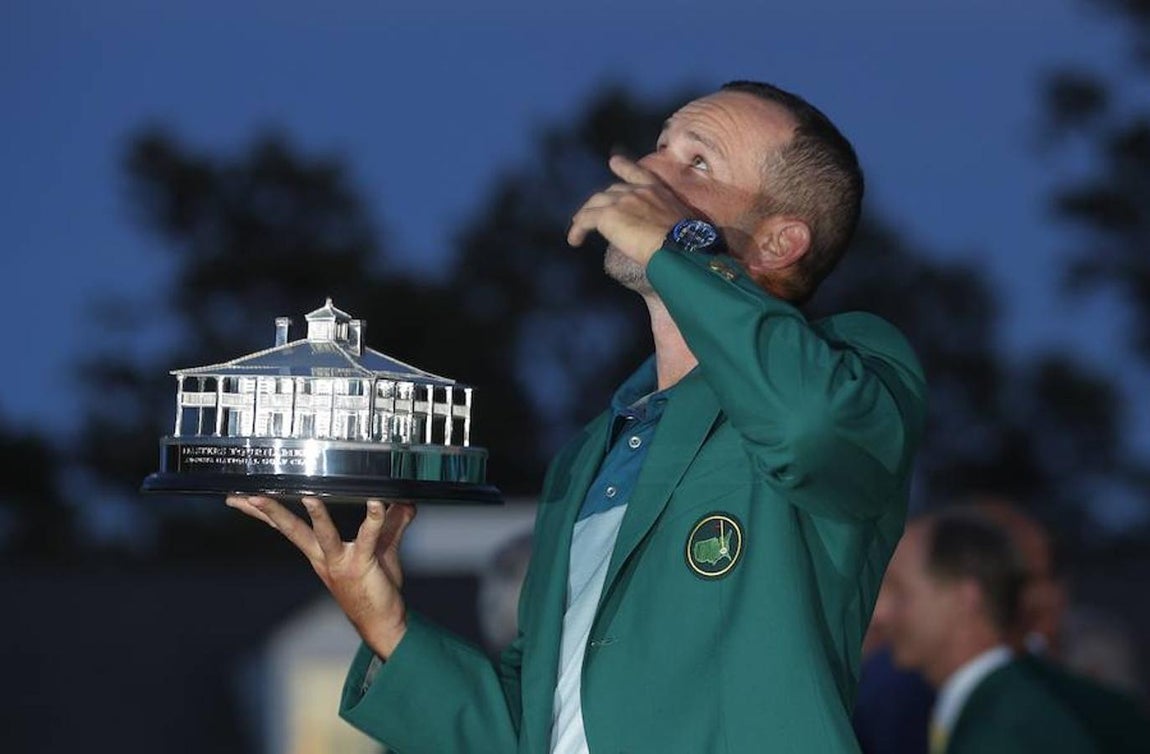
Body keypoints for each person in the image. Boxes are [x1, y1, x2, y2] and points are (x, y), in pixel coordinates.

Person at [228, 80, 929, 753]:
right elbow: (530, 728)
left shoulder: (853, 367)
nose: (647, 170)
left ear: (778, 243)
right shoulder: (591, 452)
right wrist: (386, 625)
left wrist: (677, 246)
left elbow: (809, 428)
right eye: (659, 146)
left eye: (697, 163)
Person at [874, 508, 1150, 754]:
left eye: (900, 591)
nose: (879, 613)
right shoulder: (1016, 707)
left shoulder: (1006, 732)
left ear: (965, 597)